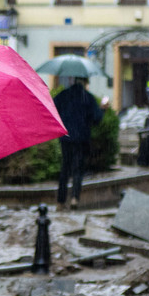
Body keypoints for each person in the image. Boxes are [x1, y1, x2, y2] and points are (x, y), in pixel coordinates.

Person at [54, 77, 104, 209]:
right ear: (85, 83)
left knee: (65, 168)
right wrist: (103, 109)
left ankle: (60, 201)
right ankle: (75, 198)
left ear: (73, 81)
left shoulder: (63, 95)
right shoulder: (88, 97)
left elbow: (53, 110)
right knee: (78, 169)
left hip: (66, 137)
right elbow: (96, 119)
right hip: (81, 138)